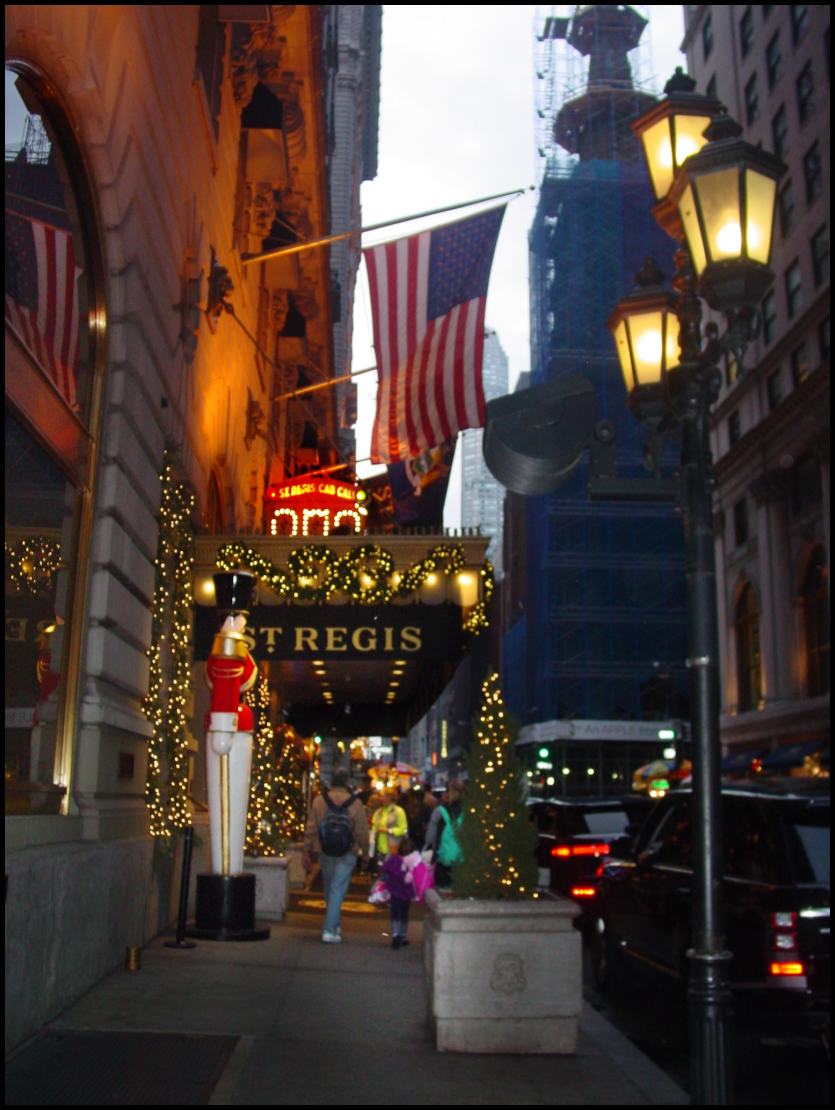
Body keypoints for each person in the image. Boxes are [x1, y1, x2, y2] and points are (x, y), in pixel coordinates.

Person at [303, 768, 369, 943]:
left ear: (331, 781)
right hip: (348, 851)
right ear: (347, 783)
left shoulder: (319, 801)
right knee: (338, 888)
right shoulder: (356, 804)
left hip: (324, 850)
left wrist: (306, 851)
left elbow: (311, 828)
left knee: (329, 887)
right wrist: (366, 853)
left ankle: (334, 924)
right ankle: (330, 929)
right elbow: (362, 831)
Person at [425, 779, 464, 888]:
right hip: (462, 861)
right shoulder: (467, 811)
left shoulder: (439, 811)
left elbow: (429, 839)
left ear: (448, 793)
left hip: (442, 861)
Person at [381, 838, 415, 949]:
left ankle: (395, 934)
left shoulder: (394, 860)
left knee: (395, 914)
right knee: (404, 914)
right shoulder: (412, 863)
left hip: (394, 891)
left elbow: (384, 868)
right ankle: (403, 936)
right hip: (407, 893)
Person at [370, 787, 408, 869]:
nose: (380, 799)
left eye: (382, 796)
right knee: (381, 872)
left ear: (389, 797)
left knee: (391, 872)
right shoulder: (378, 812)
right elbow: (374, 827)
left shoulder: (398, 811)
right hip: (379, 849)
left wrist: (388, 830)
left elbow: (404, 829)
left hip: (393, 848)